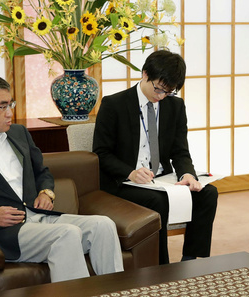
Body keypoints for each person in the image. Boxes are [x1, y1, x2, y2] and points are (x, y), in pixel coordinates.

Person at [0, 73, 124, 283]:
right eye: (2, 107)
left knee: (104, 225)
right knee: (67, 234)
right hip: (5, 233)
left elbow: (42, 172)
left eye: (11, 104)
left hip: (39, 216)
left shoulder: (18, 134)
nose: (10, 113)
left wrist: (46, 192)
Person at [93, 50, 218, 265]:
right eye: (158, 89)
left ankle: (191, 260)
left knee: (207, 194)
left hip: (161, 179)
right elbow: (100, 154)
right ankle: (162, 266)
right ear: (144, 74)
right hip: (125, 181)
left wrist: (187, 173)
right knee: (158, 201)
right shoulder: (114, 105)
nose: (160, 96)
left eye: (167, 92)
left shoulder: (175, 106)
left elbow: (180, 150)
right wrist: (130, 172)